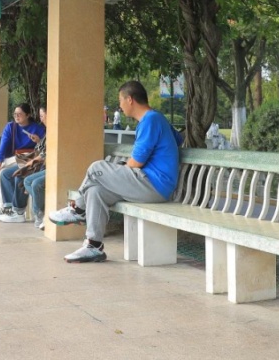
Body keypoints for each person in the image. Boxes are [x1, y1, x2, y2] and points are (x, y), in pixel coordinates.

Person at [50, 81, 182, 263]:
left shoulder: (150, 120)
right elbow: (178, 139)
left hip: (153, 184)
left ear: (130, 100)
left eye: (120, 100)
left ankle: (77, 209)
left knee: (96, 168)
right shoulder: (157, 119)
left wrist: (119, 170)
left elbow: (136, 162)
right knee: (95, 191)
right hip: (150, 184)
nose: (120, 105)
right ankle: (93, 246)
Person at [0, 103, 46, 216]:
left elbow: (44, 149)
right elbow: (3, 144)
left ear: (28, 115)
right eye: (15, 114)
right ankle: (6, 206)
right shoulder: (11, 127)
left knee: (6, 173)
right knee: (1, 171)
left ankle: (10, 208)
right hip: (15, 158)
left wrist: (38, 141)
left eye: (19, 114)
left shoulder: (38, 129)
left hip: (31, 158)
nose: (16, 116)